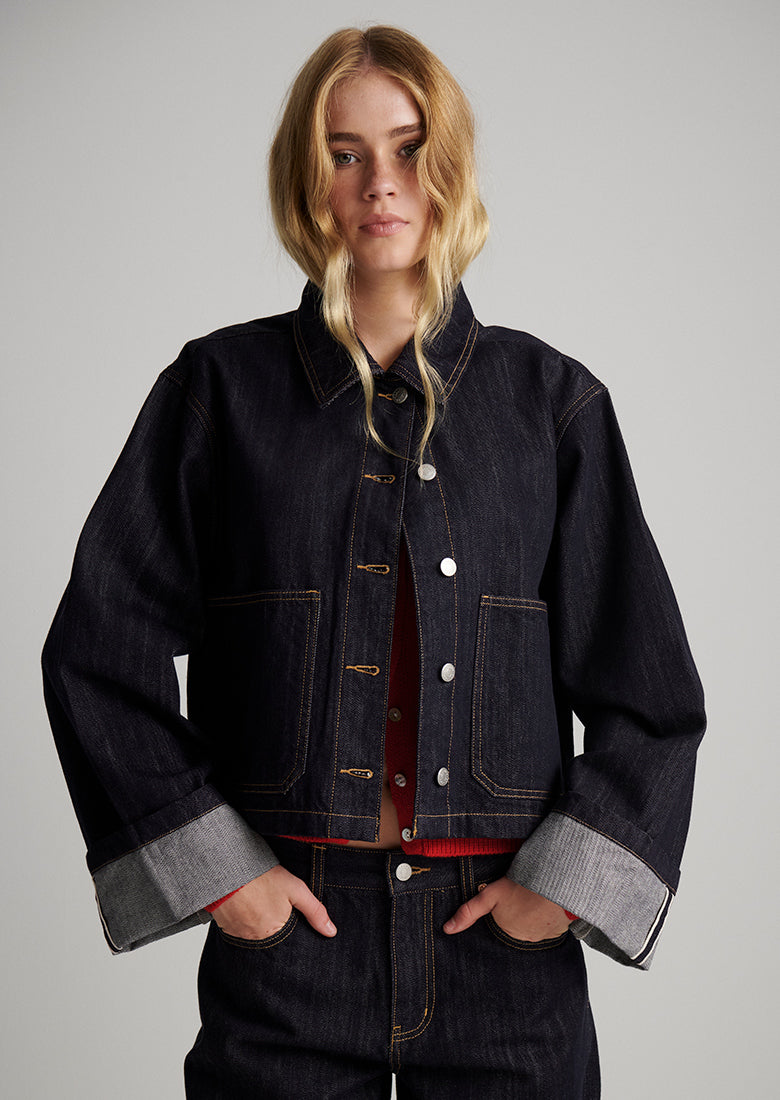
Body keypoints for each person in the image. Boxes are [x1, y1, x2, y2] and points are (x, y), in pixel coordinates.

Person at [41, 24, 706, 1099]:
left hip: (504, 957)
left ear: (451, 168)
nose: (380, 184)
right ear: (307, 178)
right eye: (344, 153)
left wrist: (560, 890)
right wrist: (226, 877)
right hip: (291, 947)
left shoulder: (552, 406)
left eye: (408, 149)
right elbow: (98, 652)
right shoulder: (219, 394)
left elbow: (652, 696)